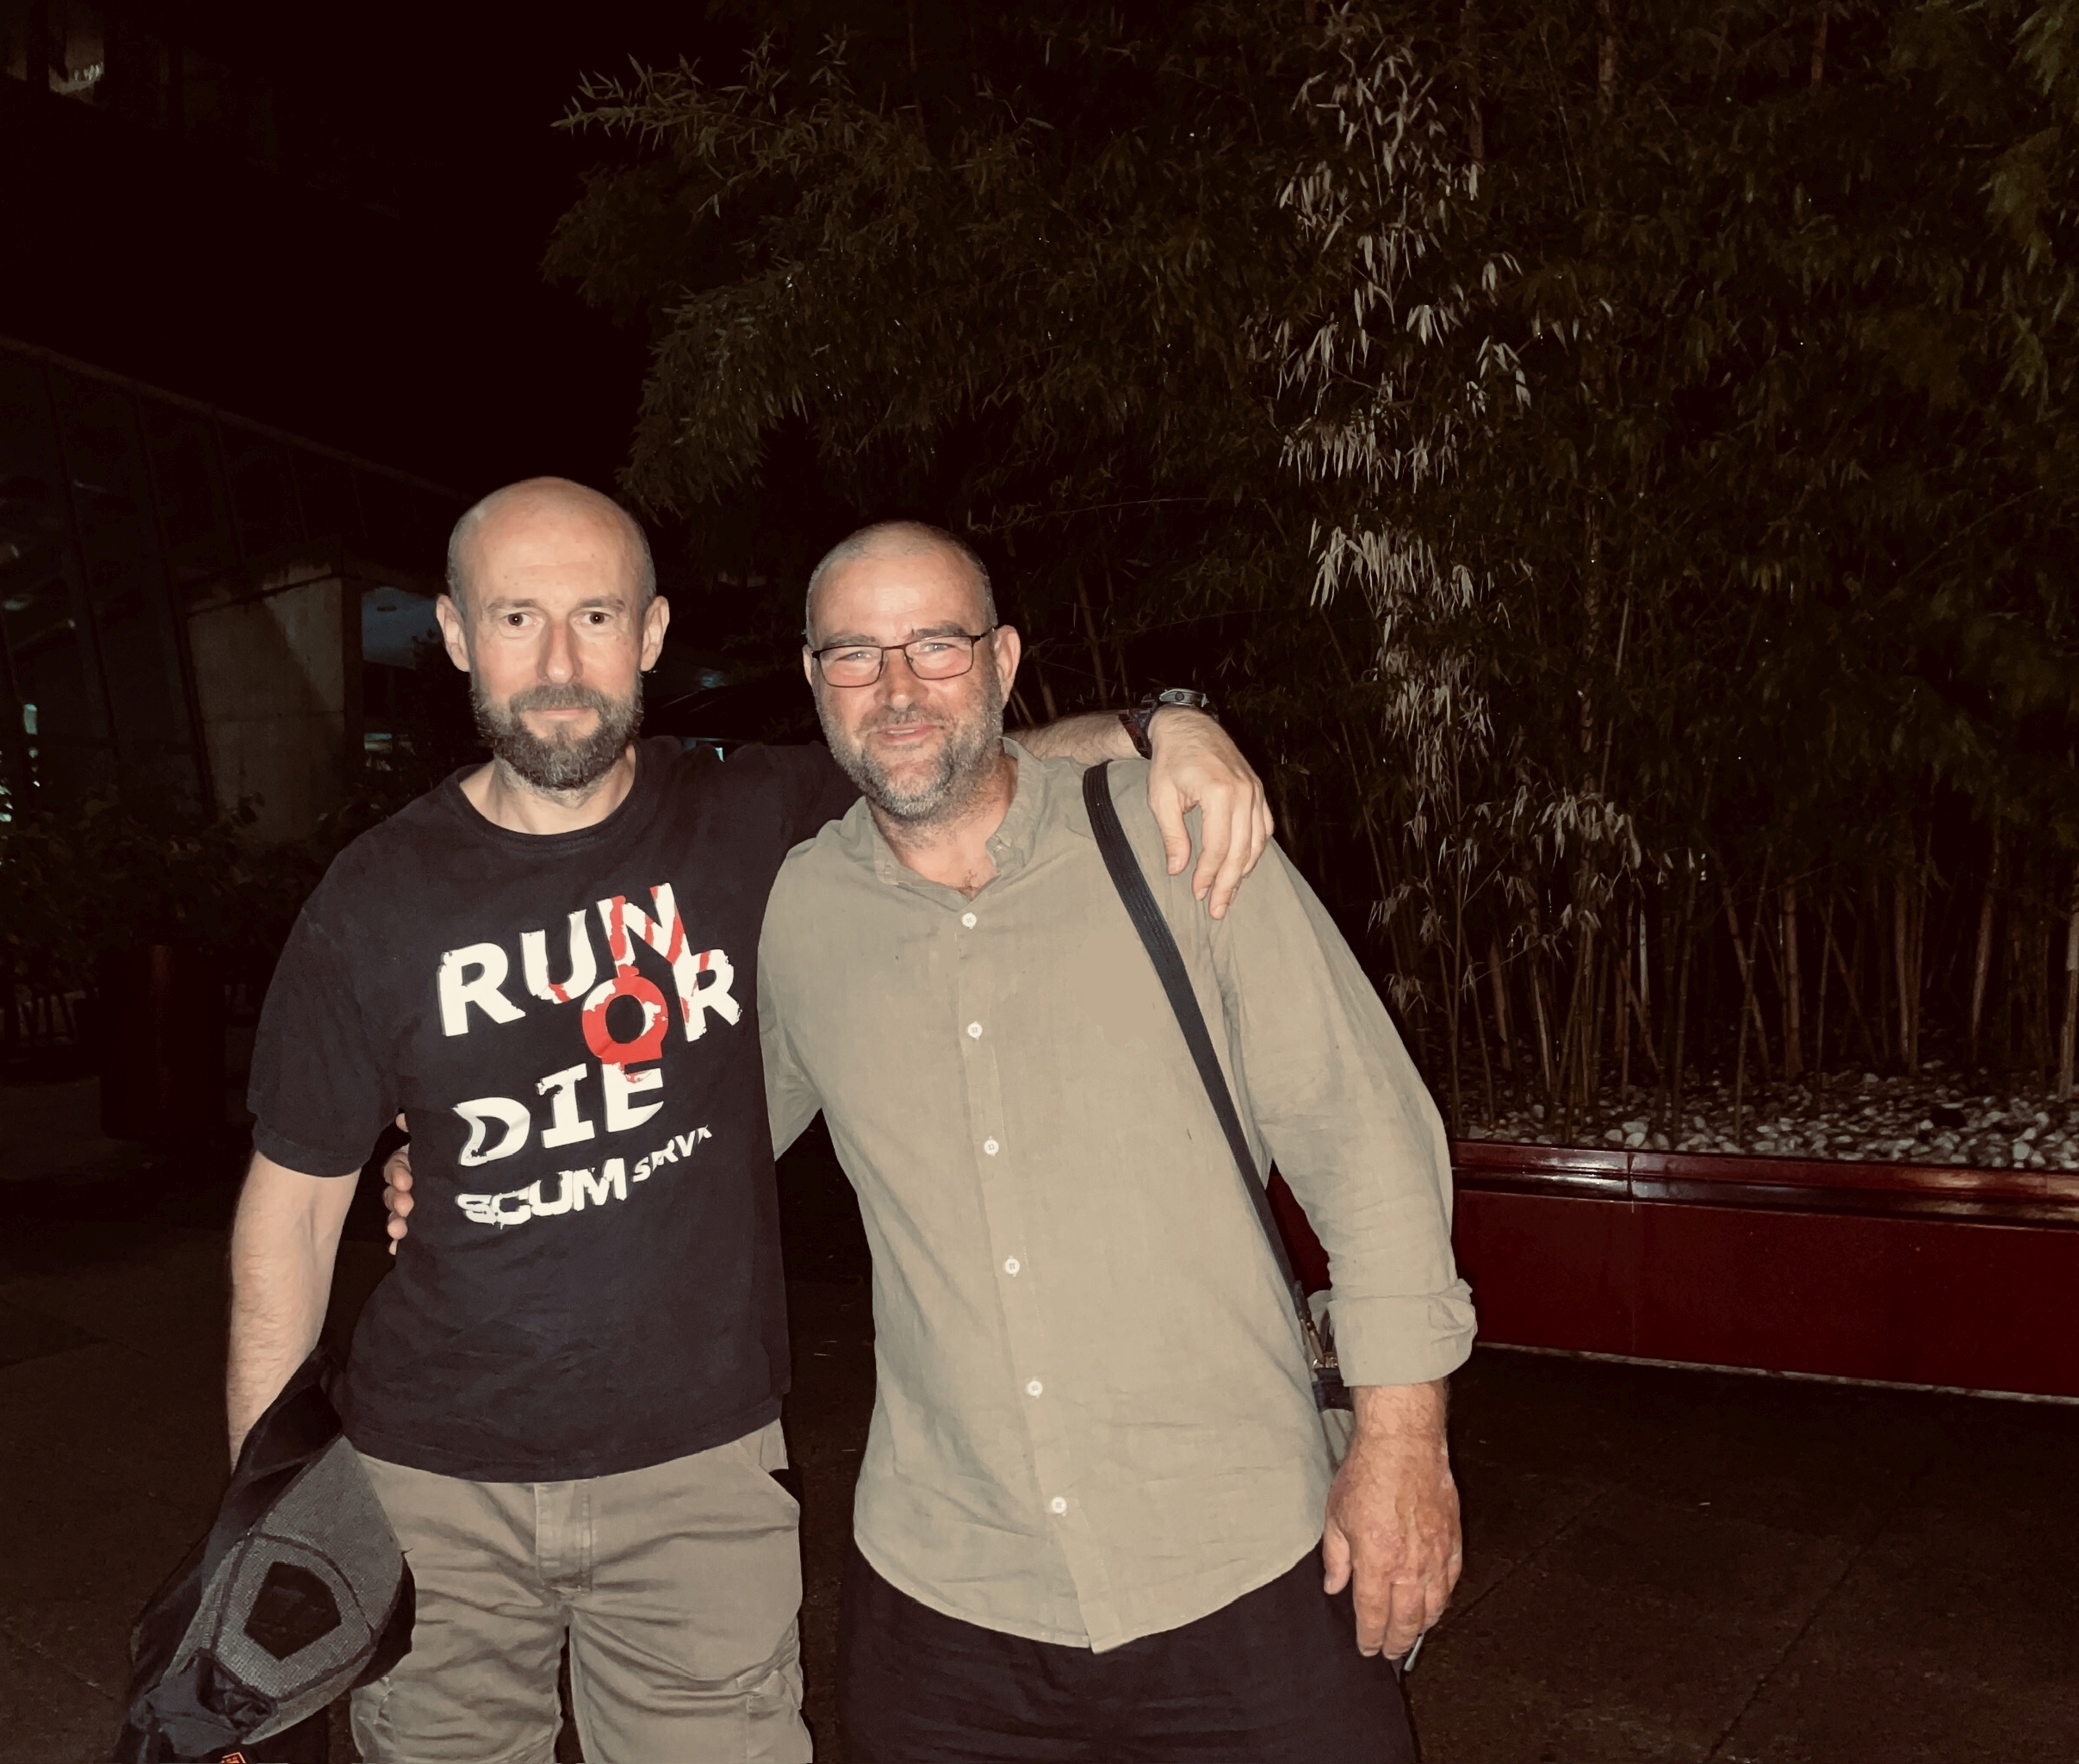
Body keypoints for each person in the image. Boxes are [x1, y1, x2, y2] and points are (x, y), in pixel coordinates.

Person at [229, 477, 1273, 1764]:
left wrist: (1164, 727)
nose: (558, 665)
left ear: (652, 634)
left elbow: (956, 764)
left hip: (699, 1482)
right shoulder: (372, 900)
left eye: (595, 617)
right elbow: (288, 1218)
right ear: (454, 634)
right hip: (429, 1488)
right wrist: (266, 1518)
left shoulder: (750, 814)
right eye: (515, 619)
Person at [751, 522, 1476, 1761]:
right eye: (856, 654)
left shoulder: (1171, 831)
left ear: (1004, 660)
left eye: (937, 644)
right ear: (814, 679)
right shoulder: (796, 913)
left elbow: (1365, 1142)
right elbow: (689, 1144)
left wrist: (1403, 1445)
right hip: (948, 1588)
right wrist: (447, 1160)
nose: (900, 686)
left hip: (1241, 1556)